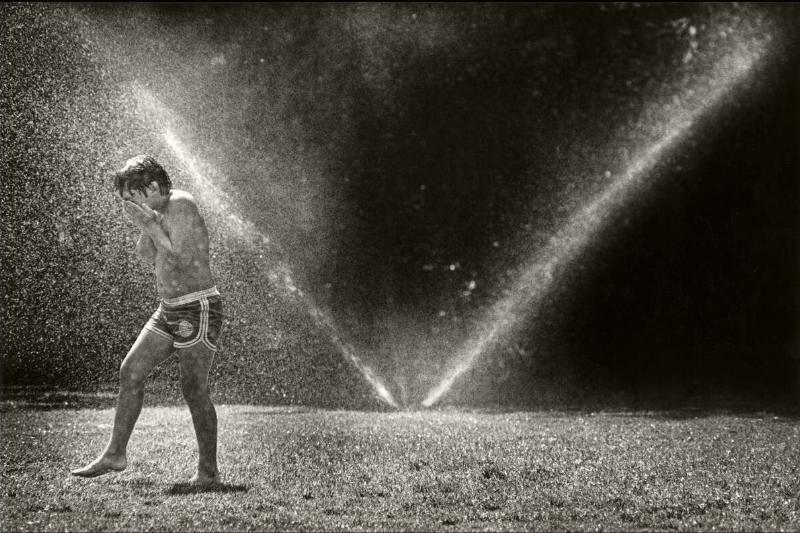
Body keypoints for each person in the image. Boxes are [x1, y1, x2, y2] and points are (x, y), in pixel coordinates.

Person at [71, 155, 223, 485]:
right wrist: (148, 221)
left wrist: (150, 224)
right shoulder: (159, 213)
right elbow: (147, 255)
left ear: (152, 186)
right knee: (132, 370)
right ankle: (115, 454)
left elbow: (180, 257)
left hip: (198, 307)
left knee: (193, 388)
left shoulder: (180, 203)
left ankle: (208, 473)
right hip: (169, 308)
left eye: (131, 197)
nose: (127, 205)